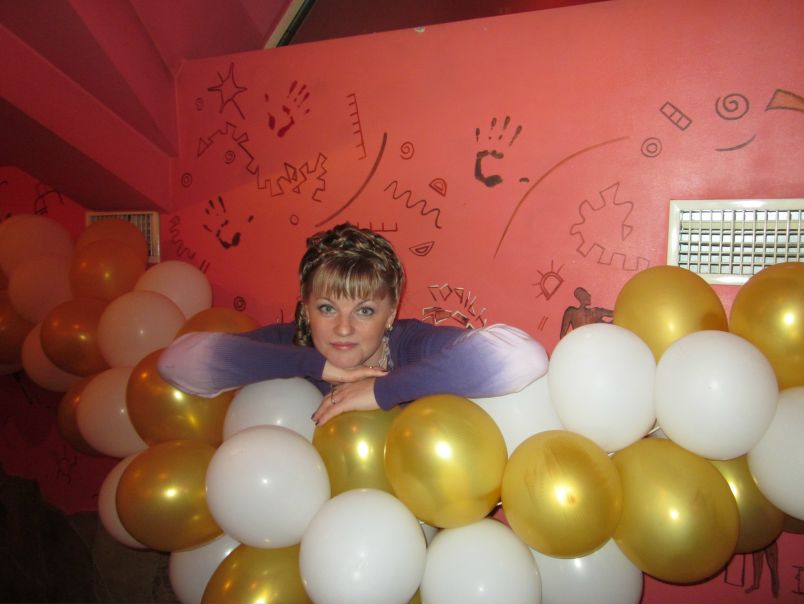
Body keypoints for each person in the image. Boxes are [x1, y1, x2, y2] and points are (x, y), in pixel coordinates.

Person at [157, 223, 548, 425]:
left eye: (364, 311)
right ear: (306, 308)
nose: (343, 329)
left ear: (390, 314)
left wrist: (381, 390)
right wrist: (313, 366)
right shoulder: (291, 343)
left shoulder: (407, 344)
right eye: (327, 308)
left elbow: (522, 358)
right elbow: (176, 362)